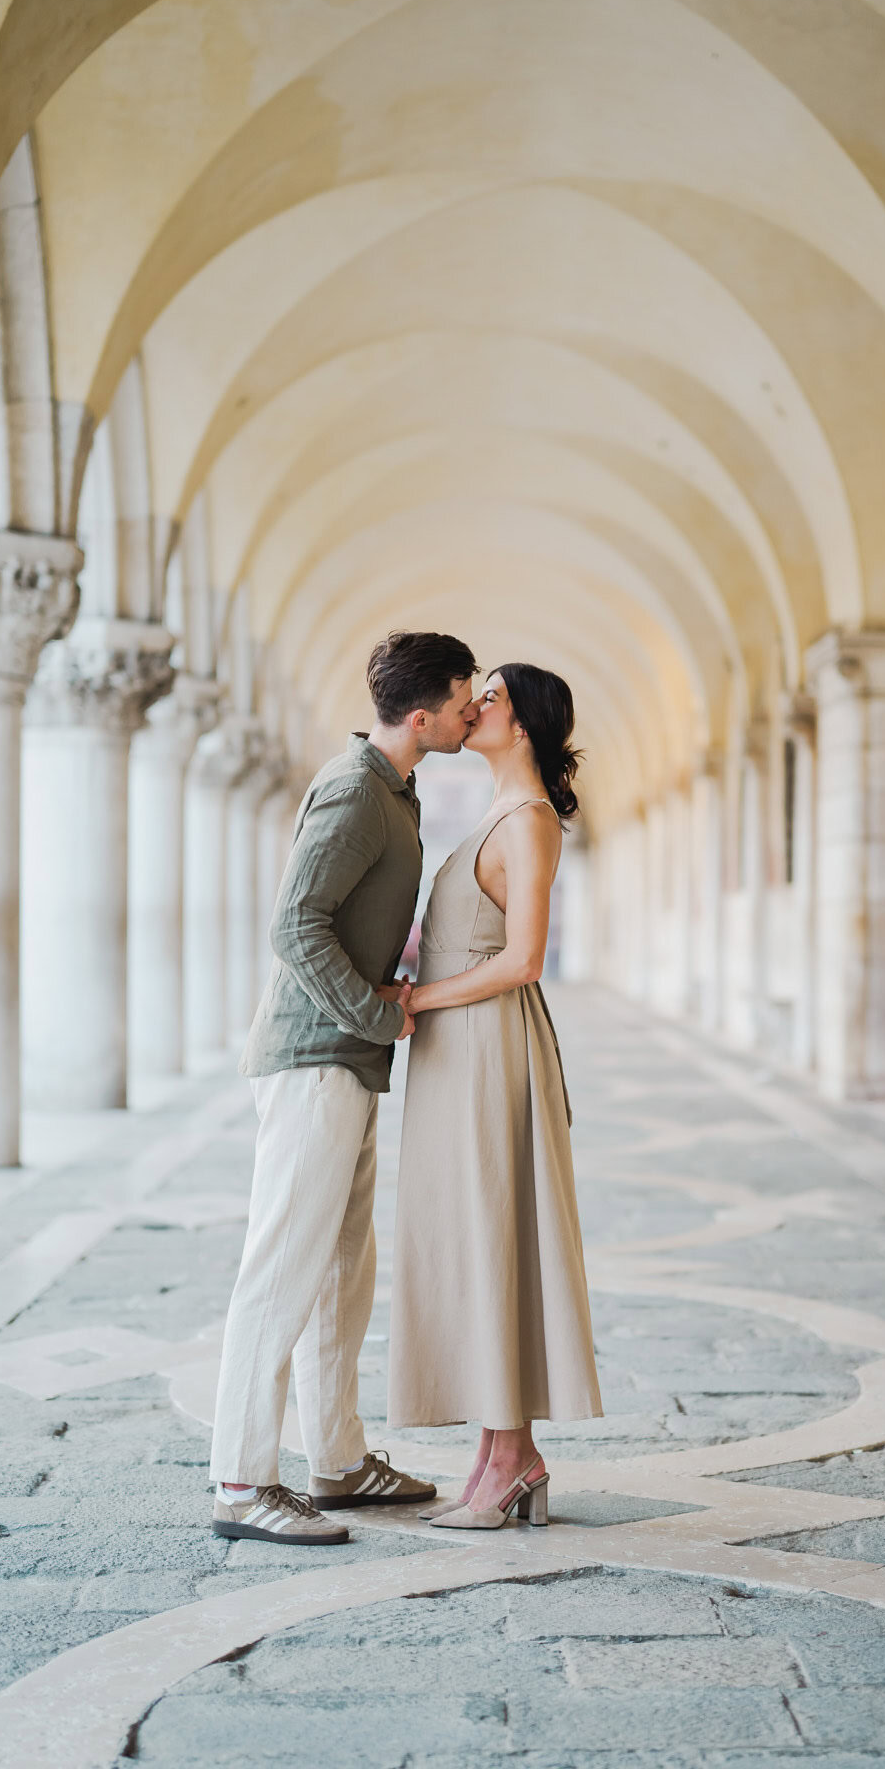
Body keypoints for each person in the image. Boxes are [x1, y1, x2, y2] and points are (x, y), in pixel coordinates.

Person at [209, 632, 478, 1545]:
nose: (472, 709)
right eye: (462, 697)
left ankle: (335, 1462)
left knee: (339, 1278)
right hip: (315, 1059)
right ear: (420, 715)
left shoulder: (393, 791)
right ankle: (242, 1483)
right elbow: (294, 924)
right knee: (281, 1273)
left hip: (349, 1061)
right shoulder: (358, 790)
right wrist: (373, 1012)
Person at [388, 663, 603, 1529]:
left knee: (491, 1238)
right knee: (469, 1238)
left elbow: (522, 961)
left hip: (485, 1049)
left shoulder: (529, 820)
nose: (473, 704)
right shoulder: (495, 814)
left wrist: (414, 1002)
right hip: (459, 1051)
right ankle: (495, 1451)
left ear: (523, 727)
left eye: (493, 696)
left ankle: (513, 1455)